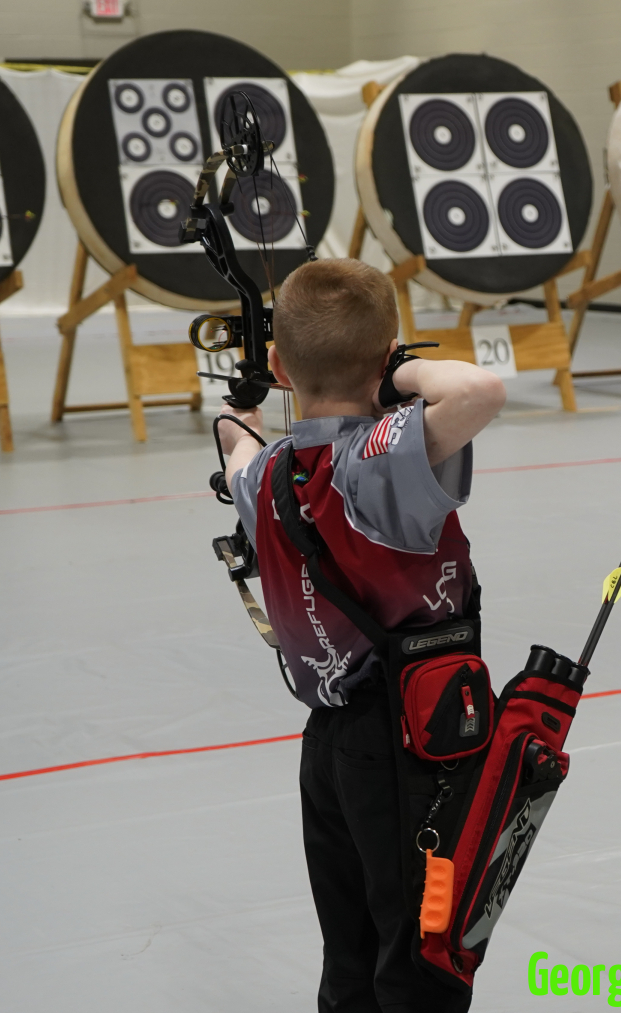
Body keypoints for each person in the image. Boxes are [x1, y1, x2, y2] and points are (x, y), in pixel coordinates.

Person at [215, 258, 506, 1013]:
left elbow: (236, 447)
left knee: (348, 954)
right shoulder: (380, 463)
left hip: (329, 746)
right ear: (385, 358)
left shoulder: (269, 474)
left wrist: (236, 409)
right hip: (413, 749)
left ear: (280, 367)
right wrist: (399, 372)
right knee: (419, 957)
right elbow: (478, 389)